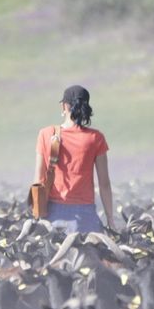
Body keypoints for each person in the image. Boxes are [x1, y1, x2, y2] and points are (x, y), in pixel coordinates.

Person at [37, 85, 117, 235]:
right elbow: (104, 184)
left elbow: (38, 180)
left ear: (63, 106)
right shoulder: (96, 138)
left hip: (53, 216)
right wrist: (110, 219)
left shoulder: (45, 134)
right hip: (85, 217)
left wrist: (38, 215)